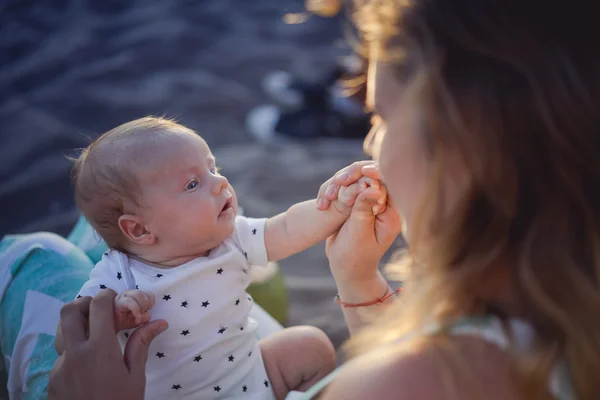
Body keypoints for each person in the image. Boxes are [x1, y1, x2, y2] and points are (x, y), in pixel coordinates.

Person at [50, 0, 600, 399]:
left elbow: (283, 231)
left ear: (463, 146)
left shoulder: (412, 382)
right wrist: (359, 279)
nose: (368, 143)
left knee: (36, 257)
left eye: (380, 117)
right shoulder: (562, 321)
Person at [53, 116, 386, 400]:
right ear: (139, 230)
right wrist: (115, 316)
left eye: (214, 168)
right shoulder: (117, 275)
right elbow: (67, 340)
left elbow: (285, 229)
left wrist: (336, 207)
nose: (220, 182)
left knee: (310, 345)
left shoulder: (231, 239)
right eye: (193, 183)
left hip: (255, 380)